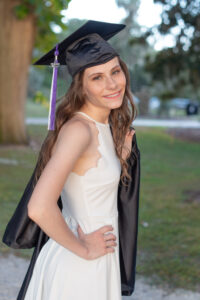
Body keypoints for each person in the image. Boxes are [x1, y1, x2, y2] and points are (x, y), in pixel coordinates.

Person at [3, 20, 141, 300]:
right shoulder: (79, 130)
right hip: (78, 268)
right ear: (82, 86)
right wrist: (85, 248)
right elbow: (39, 208)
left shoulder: (98, 127)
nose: (112, 83)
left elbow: (87, 184)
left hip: (97, 258)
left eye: (115, 71)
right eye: (97, 77)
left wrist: (120, 158)